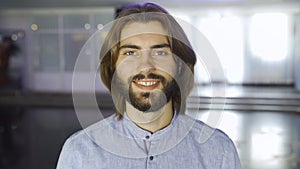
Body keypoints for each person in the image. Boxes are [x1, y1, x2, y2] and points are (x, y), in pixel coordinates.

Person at [57, 2, 242, 169]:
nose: (145, 66)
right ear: (113, 67)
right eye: (130, 53)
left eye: (160, 52)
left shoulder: (218, 151)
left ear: (180, 65)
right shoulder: (79, 152)